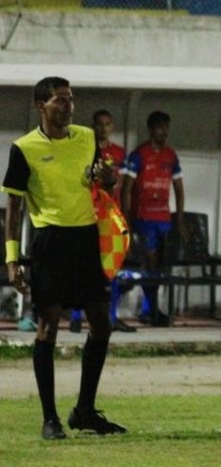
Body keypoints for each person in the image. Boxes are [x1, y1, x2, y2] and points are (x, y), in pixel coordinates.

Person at [4, 76, 127, 439]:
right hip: (50, 241)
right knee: (48, 327)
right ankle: (50, 419)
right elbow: (13, 206)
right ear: (41, 106)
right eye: (60, 100)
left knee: (101, 324)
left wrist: (107, 178)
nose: (69, 105)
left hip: (87, 238)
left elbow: (101, 181)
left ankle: (84, 410)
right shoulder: (23, 148)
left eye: (71, 99)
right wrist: (12, 259)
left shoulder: (87, 138)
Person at [122, 111, 185, 328]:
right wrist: (127, 221)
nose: (164, 132)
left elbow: (179, 188)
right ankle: (148, 309)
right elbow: (126, 189)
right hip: (144, 218)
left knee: (160, 267)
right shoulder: (139, 155)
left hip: (164, 219)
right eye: (160, 127)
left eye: (166, 127)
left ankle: (152, 309)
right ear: (151, 129)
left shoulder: (171, 156)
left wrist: (180, 220)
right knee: (148, 263)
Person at [74, 110, 131, 333]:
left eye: (107, 124)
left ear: (112, 127)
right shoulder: (84, 150)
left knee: (111, 264)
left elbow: (124, 186)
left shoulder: (119, 153)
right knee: (83, 266)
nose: (103, 128)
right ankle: (77, 316)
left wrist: (124, 215)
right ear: (93, 126)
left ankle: (112, 315)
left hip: (111, 217)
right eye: (99, 124)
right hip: (89, 214)